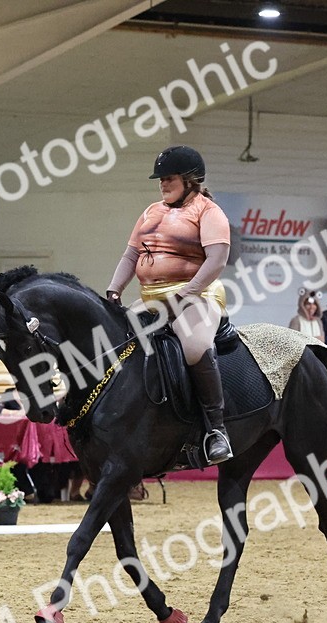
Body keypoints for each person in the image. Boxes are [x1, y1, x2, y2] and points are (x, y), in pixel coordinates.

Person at [106, 145, 233, 464]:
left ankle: (216, 431)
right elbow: (131, 255)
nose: (162, 183)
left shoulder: (208, 211)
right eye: (160, 179)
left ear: (191, 180)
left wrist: (188, 291)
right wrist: (114, 288)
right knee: (116, 344)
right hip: (151, 299)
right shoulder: (151, 212)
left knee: (194, 346)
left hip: (196, 297)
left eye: (169, 177)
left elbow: (217, 260)